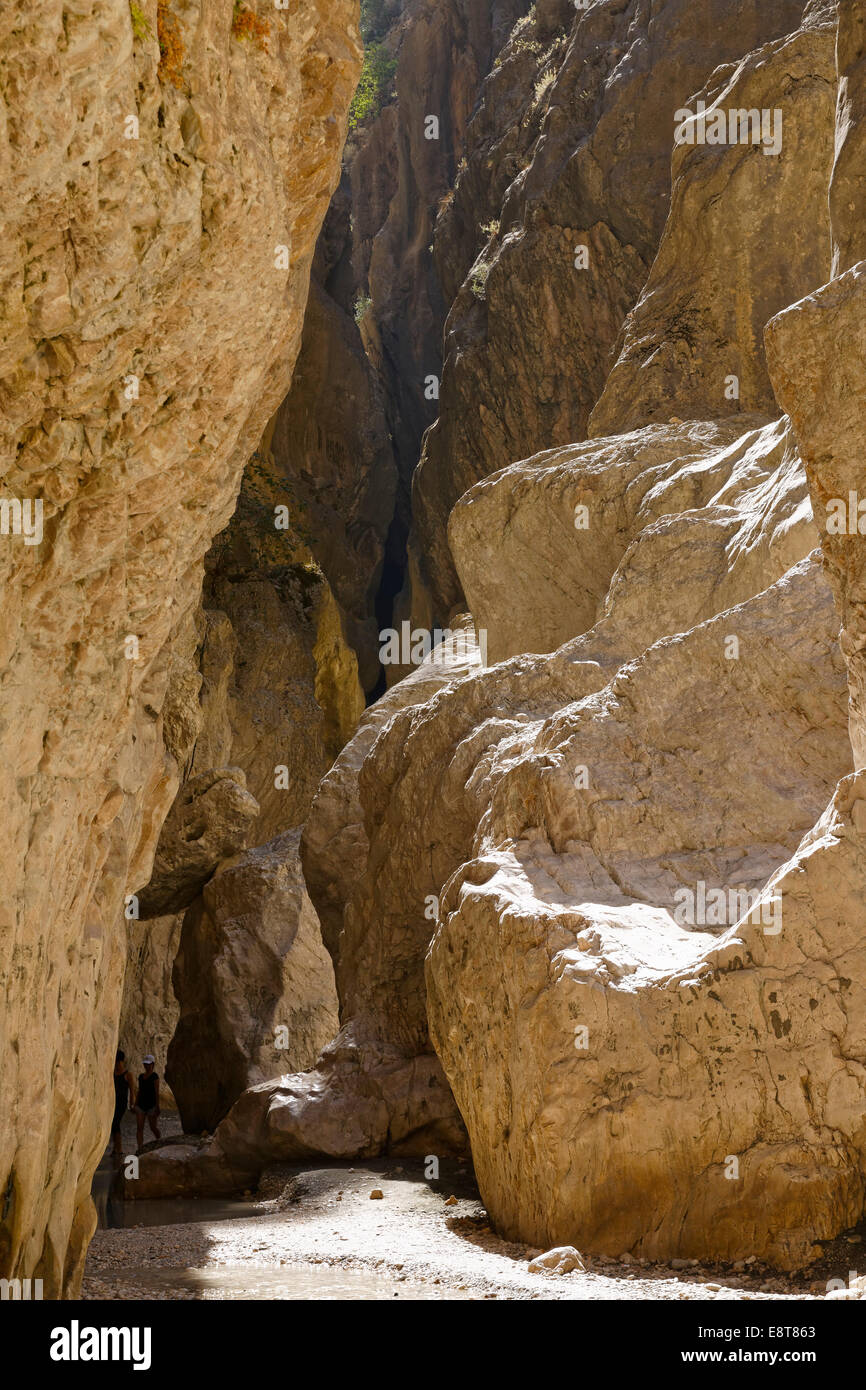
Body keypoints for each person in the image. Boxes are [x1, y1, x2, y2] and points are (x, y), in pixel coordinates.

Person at [134, 1054, 161, 1153]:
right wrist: (135, 1104)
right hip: (141, 1105)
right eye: (145, 1064)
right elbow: (139, 1091)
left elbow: (156, 1092)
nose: (146, 1066)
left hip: (151, 1105)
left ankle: (160, 1142)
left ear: (153, 1064)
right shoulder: (141, 1077)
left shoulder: (155, 1077)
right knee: (139, 1127)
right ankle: (140, 1148)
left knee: (153, 1127)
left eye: (148, 1064)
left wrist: (157, 1106)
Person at [112, 1050, 134, 1155]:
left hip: (121, 1103)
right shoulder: (113, 1074)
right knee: (113, 1125)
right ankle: (115, 1148)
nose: (118, 1065)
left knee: (116, 1123)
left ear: (122, 1062)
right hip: (114, 1103)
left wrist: (132, 1103)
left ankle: (119, 1149)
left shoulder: (128, 1075)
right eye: (116, 1063)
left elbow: (132, 1090)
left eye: (119, 1063)